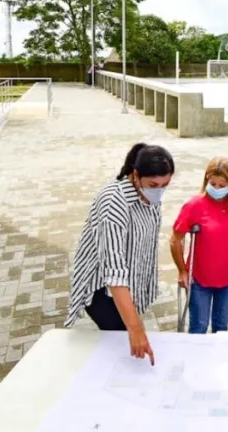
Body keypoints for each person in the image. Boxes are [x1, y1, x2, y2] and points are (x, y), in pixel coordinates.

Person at [66, 143, 175, 365]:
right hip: (102, 291)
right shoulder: (113, 203)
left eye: (165, 185)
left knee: (125, 347)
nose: (159, 190)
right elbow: (114, 274)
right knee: (122, 348)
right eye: (153, 184)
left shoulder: (150, 196)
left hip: (129, 283)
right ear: (135, 175)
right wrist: (135, 329)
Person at [170, 157, 228, 333]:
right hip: (200, 280)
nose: (217, 189)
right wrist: (182, 270)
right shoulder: (194, 205)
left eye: (222, 185)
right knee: (199, 326)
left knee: (221, 326)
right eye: (213, 183)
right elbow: (175, 240)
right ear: (206, 180)